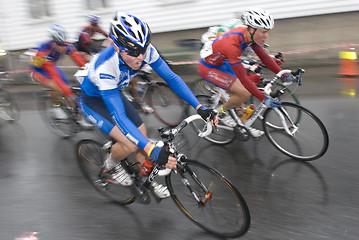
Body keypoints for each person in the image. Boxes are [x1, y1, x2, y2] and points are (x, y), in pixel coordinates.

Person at [76, 11, 217, 199]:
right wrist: (151, 149)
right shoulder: (106, 67)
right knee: (130, 145)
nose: (140, 57)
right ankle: (109, 167)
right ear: (118, 48)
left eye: (143, 50)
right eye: (134, 52)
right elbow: (119, 117)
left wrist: (200, 107)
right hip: (93, 101)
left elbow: (172, 78)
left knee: (141, 135)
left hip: (113, 92)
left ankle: (145, 181)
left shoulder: (144, 50)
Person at [199, 8, 295, 136]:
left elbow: (265, 58)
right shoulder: (233, 44)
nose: (266, 36)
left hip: (223, 62)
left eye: (268, 32)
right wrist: (263, 98)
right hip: (209, 67)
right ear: (251, 29)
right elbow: (244, 79)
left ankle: (244, 127)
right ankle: (219, 112)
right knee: (244, 93)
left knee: (240, 96)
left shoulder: (249, 36)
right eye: (264, 32)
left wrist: (284, 75)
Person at [30, 24, 90, 125]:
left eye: (63, 44)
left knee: (69, 88)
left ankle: (78, 118)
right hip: (39, 70)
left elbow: (81, 62)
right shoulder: (45, 52)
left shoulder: (67, 46)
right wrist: (69, 94)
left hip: (51, 66)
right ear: (53, 43)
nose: (63, 48)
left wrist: (89, 70)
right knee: (58, 88)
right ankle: (56, 107)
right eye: (59, 45)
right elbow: (55, 77)